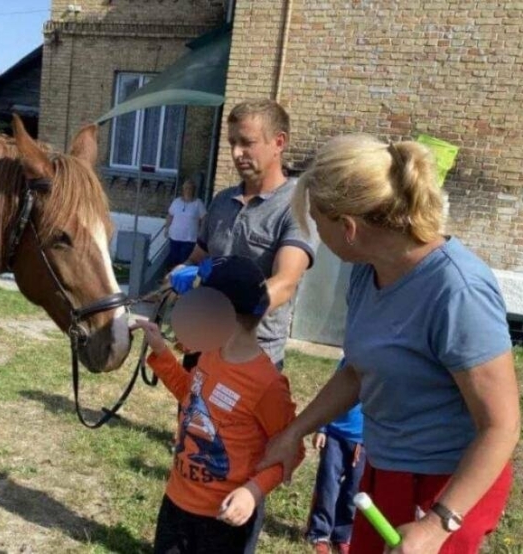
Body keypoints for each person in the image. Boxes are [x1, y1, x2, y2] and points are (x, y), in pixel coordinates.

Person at [257, 134, 520, 554]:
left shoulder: (457, 290)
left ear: (348, 227)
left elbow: (501, 426)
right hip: (384, 469)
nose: (317, 239)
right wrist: (295, 432)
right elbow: (359, 370)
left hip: (446, 488)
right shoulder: (368, 271)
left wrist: (438, 524)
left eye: (318, 224)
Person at [132, 256, 303, 554]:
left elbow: (292, 450)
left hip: (223, 520)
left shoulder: (267, 385)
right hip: (177, 504)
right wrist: (161, 352)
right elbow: (191, 395)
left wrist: (253, 492)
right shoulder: (210, 354)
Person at [174, 99, 317, 370]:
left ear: (279, 142)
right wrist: (181, 275)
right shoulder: (222, 201)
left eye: (247, 142)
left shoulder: (296, 206)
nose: (237, 153)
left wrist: (220, 318)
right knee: (192, 413)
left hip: (252, 357)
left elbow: (285, 283)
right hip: (203, 347)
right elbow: (197, 259)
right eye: (232, 143)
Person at [306, 356, 364, 554]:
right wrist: (322, 429)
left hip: (363, 443)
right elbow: (330, 395)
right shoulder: (350, 360)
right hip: (335, 436)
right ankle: (320, 533)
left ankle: (342, 534)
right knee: (327, 486)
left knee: (353, 491)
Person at [165, 179, 206, 269]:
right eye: (186, 188)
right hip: (175, 237)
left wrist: (201, 232)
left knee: (184, 261)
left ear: (193, 190)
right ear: (183, 189)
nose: (188, 190)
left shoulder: (198, 203)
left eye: (190, 188)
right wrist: (166, 228)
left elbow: (204, 219)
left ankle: (181, 280)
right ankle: (172, 280)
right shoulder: (176, 202)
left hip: (189, 239)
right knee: (173, 260)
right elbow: (170, 215)